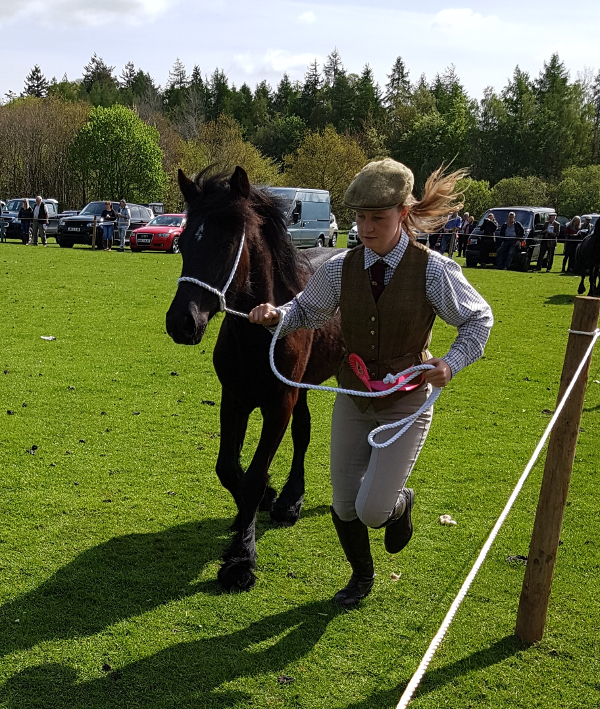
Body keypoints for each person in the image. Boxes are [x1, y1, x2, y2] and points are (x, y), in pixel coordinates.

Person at [248, 158, 493, 608]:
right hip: (353, 395)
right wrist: (276, 316)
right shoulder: (341, 268)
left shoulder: (434, 270)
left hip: (407, 401)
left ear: (403, 213)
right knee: (343, 504)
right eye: (359, 217)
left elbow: (478, 319)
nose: (364, 227)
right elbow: (306, 311)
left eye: (376, 218)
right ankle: (361, 577)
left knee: (373, 510)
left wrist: (452, 363)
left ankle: (400, 504)